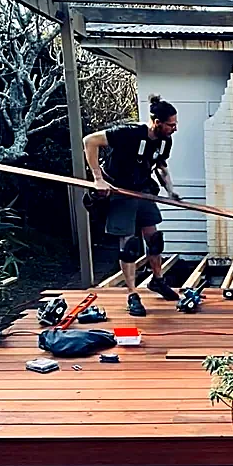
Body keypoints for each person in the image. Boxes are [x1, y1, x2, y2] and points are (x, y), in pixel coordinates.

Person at [84, 94, 180, 317]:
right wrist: (98, 178)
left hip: (142, 190)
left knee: (154, 240)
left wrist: (170, 190)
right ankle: (132, 295)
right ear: (157, 122)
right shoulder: (129, 133)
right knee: (128, 246)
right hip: (119, 190)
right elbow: (90, 141)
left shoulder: (165, 140)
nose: (174, 128)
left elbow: (160, 166)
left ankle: (157, 281)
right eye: (171, 124)